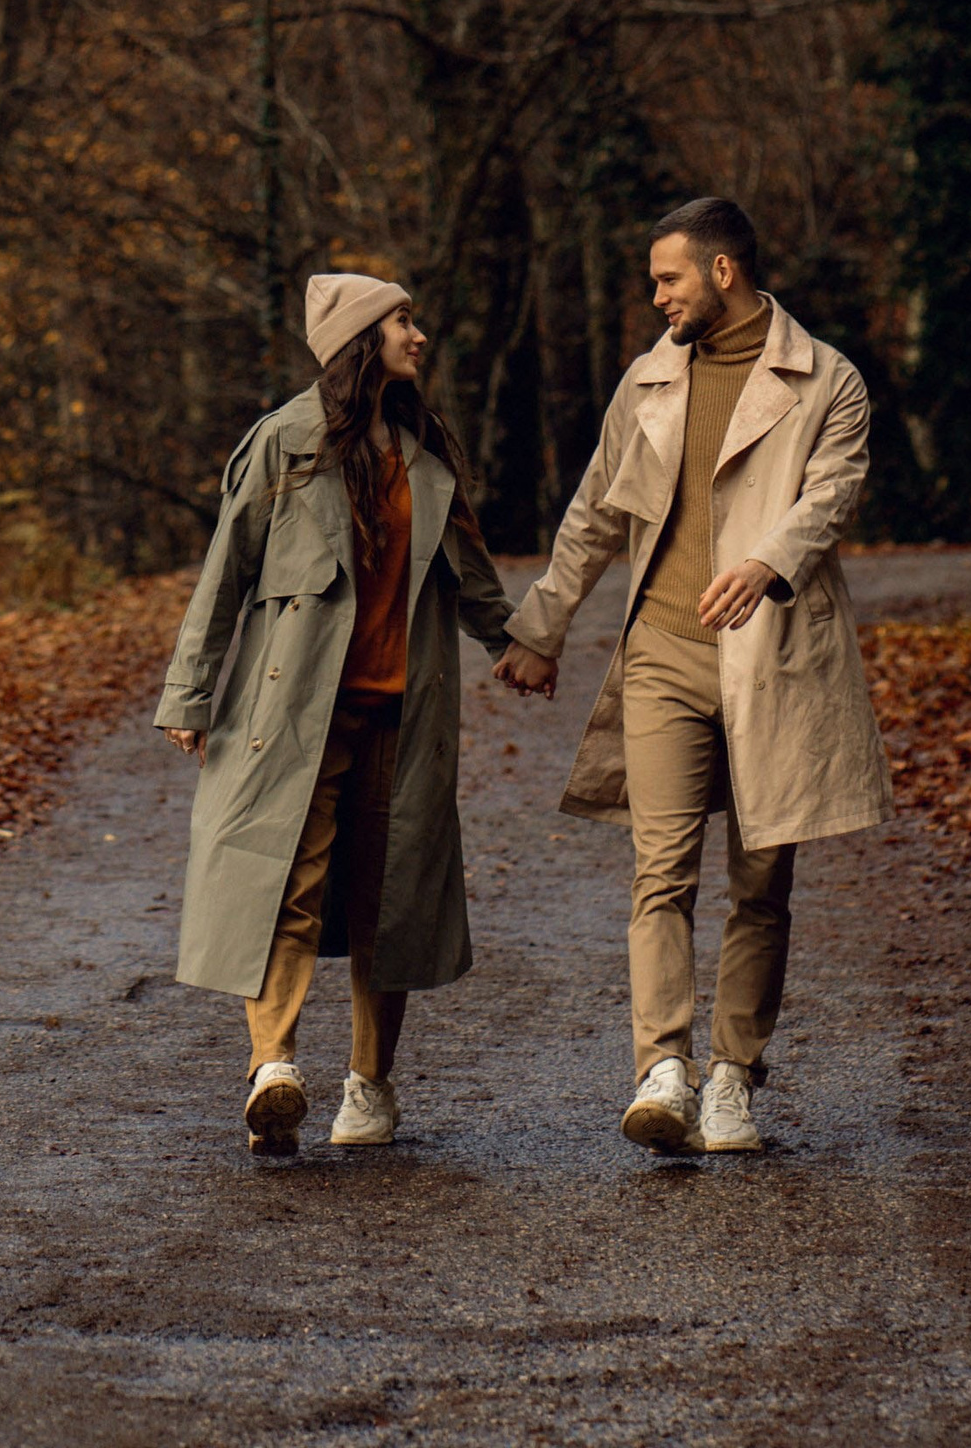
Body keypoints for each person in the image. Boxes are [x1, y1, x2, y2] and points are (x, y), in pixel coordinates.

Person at [496, 195, 893, 1156]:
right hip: (663, 656)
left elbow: (833, 492)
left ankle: (733, 1079)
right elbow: (595, 513)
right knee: (659, 871)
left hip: (778, 661)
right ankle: (661, 1070)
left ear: (722, 272)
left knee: (762, 883)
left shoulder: (825, 378)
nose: (658, 297)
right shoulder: (647, 380)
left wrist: (767, 563)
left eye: (668, 279)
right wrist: (542, 628)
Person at [157, 269, 527, 1154]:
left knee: (386, 899)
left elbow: (472, 579)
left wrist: (518, 645)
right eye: (403, 320)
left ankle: (370, 1085)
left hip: (404, 714)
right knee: (283, 877)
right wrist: (191, 691)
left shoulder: (426, 450)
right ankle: (273, 1067)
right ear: (362, 341)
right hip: (294, 715)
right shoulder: (282, 443)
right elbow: (226, 573)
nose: (419, 333)